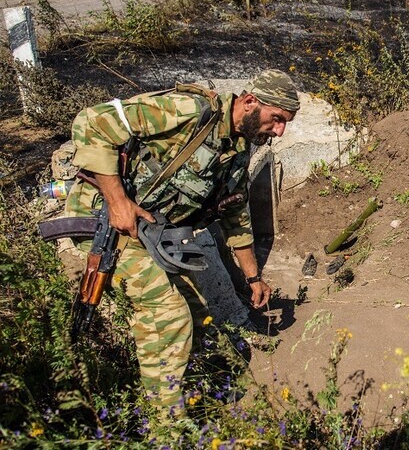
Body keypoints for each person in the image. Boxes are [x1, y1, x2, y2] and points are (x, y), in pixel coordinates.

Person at [64, 69, 300, 413]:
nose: (279, 131)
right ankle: (166, 424)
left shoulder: (238, 148)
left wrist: (253, 277)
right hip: (105, 223)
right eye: (276, 119)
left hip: (151, 234)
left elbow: (235, 214)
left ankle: (206, 396)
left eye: (285, 124)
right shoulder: (189, 110)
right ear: (250, 102)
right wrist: (117, 202)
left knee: (199, 314)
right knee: (169, 315)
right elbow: (92, 121)